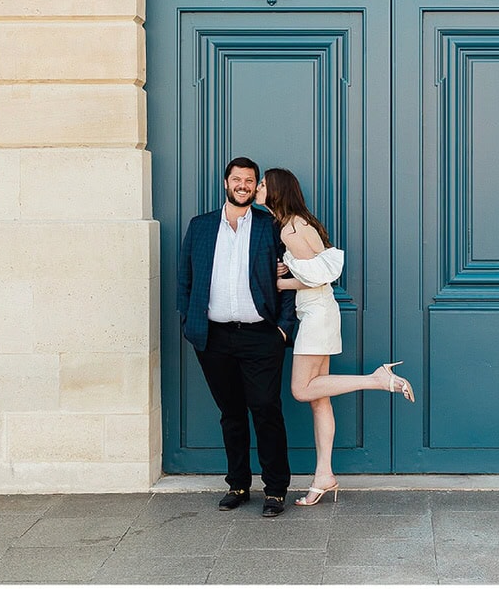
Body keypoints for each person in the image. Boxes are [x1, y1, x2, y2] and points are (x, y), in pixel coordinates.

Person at [256, 168, 415, 506]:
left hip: (315, 315)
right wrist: (287, 274)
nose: (257, 188)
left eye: (263, 184)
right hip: (321, 312)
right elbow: (318, 273)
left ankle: (376, 379)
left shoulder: (291, 228)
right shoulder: (299, 222)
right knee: (318, 397)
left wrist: (277, 280)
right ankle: (324, 475)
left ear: (276, 191)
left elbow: (316, 278)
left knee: (301, 390)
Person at [177, 156, 296, 518]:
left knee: (266, 410)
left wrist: (283, 328)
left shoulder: (270, 226)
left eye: (250, 180)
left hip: (262, 335)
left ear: (256, 185)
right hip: (213, 337)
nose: (243, 185)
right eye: (237, 179)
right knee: (230, 412)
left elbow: (291, 279)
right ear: (226, 182)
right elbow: (185, 279)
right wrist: (189, 323)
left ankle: (275, 490)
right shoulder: (200, 227)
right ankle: (238, 484)